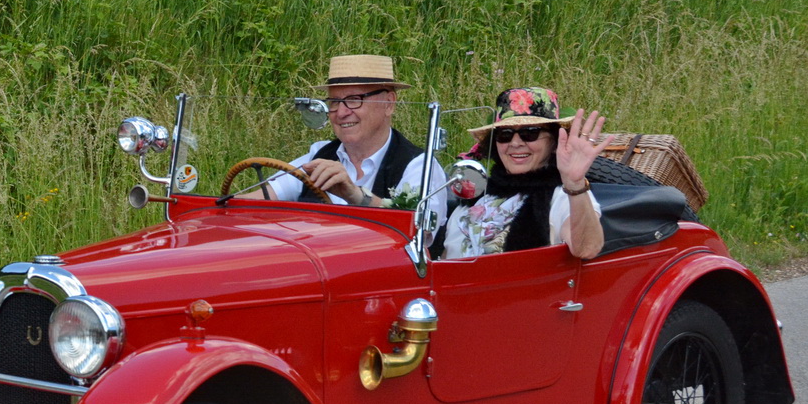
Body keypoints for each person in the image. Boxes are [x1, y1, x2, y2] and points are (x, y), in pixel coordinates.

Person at [441, 87, 607, 260]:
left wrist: (575, 184)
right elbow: (445, 261)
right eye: (505, 135)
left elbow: (587, 249)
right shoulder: (477, 196)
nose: (515, 143)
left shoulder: (565, 195)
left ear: (554, 142)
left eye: (530, 133)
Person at [255, 55, 440, 206]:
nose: (341, 113)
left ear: (389, 103)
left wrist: (355, 195)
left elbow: (418, 229)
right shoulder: (319, 155)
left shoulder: (420, 167)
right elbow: (258, 199)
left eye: (354, 100)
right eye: (334, 102)